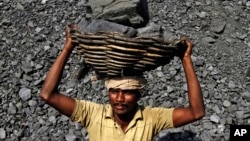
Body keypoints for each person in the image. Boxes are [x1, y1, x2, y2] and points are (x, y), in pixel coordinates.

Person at [40, 25, 205, 141]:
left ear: (138, 95)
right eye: (114, 91)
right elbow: (48, 95)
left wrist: (186, 59)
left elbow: (196, 112)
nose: (119, 98)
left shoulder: (151, 118)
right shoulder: (92, 114)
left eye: (127, 92)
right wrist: (68, 48)